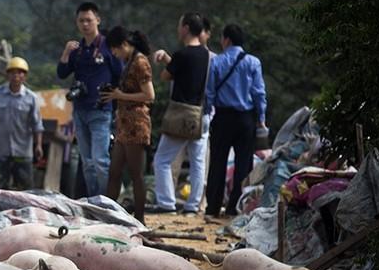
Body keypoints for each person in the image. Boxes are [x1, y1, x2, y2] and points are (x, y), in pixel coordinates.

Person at [57, 2, 123, 198]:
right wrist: (65, 52)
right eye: (81, 21)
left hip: (101, 110)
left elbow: (120, 74)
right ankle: (94, 200)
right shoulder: (77, 49)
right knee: (87, 162)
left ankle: (108, 200)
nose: (85, 24)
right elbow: (61, 73)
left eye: (89, 20)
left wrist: (117, 103)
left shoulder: (108, 47)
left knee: (101, 160)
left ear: (98, 21)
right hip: (80, 110)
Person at [148, 13, 211, 215]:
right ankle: (193, 206)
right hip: (200, 114)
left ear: (185, 28)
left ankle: (166, 203)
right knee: (198, 162)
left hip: (180, 114)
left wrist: (168, 61)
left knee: (162, 160)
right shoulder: (207, 55)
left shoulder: (182, 54)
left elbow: (166, 75)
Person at [204, 23, 267, 218]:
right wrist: (261, 118)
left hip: (222, 117)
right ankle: (235, 207)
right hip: (245, 119)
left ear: (227, 40)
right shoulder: (253, 62)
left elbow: (209, 93)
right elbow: (259, 93)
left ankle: (213, 207)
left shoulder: (217, 62)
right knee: (243, 164)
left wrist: (208, 112)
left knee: (217, 163)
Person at [100, 27, 155, 223]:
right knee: (114, 172)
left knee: (136, 174)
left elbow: (149, 95)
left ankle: (140, 217)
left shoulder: (140, 62)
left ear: (124, 45)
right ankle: (107, 214)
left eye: (115, 50)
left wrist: (120, 96)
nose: (114, 54)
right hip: (123, 124)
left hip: (136, 124)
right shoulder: (128, 61)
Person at [0, 57, 44, 190]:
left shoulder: (31, 98)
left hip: (22, 152)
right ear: (7, 75)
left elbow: (37, 125)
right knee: (1, 188)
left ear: (25, 76)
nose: (16, 76)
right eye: (12, 72)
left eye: (20, 72)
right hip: (2, 150)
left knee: (26, 188)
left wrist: (38, 145)